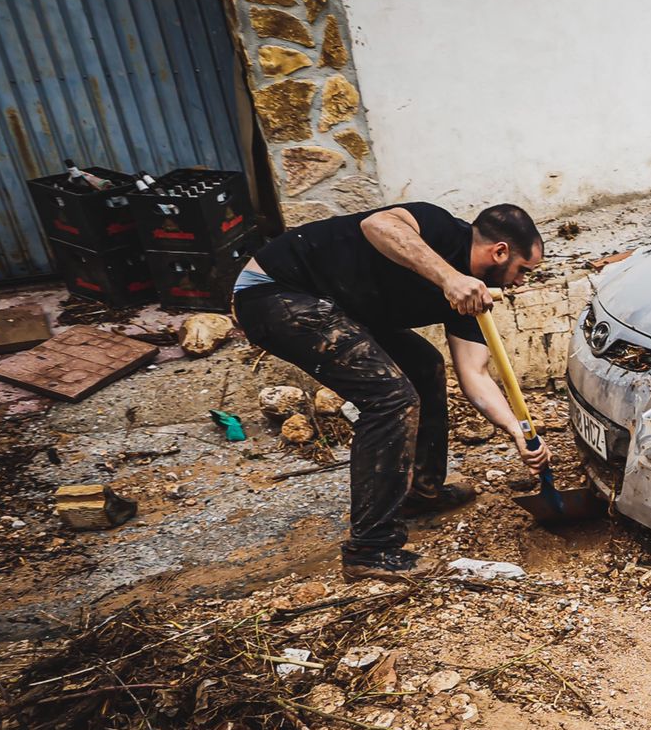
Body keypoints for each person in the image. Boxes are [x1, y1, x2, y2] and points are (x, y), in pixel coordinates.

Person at [231, 202, 550, 578]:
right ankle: (371, 547)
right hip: (274, 293)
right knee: (390, 397)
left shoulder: (471, 299)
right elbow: (377, 223)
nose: (520, 283)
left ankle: (420, 493)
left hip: (339, 309)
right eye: (522, 271)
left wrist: (516, 430)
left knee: (425, 366)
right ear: (500, 252)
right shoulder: (439, 228)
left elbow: (474, 376)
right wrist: (448, 277)